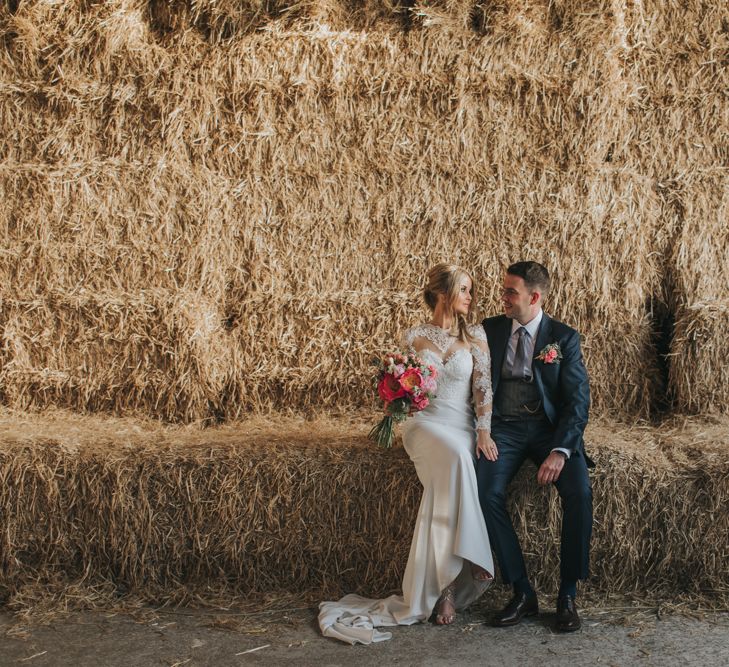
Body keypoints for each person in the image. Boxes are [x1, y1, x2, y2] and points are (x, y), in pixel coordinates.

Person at [319, 263, 496, 644]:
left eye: (470, 290)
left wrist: (484, 432)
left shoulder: (476, 335)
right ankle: (474, 556)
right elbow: (404, 386)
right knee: (456, 458)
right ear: (444, 293)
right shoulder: (414, 335)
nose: (470, 297)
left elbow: (483, 390)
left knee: (449, 477)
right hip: (425, 424)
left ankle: (445, 591)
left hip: (462, 425)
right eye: (464, 289)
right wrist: (399, 394)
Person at [477, 261, 593, 632]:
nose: (503, 297)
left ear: (535, 296)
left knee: (580, 491)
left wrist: (561, 450)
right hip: (504, 430)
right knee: (485, 491)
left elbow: (577, 402)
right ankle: (522, 591)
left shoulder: (563, 338)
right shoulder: (490, 330)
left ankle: (568, 594)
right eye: (505, 290)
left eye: (511, 291)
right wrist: (481, 429)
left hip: (548, 431)